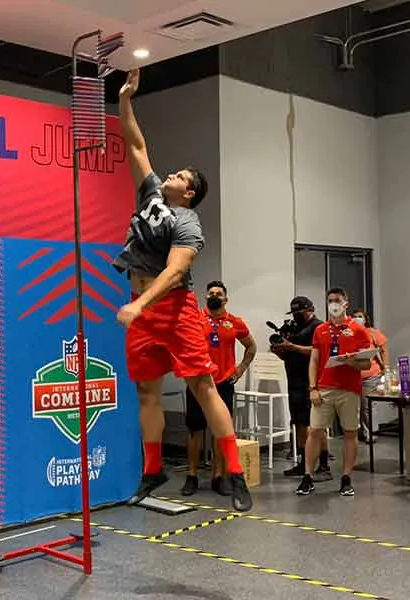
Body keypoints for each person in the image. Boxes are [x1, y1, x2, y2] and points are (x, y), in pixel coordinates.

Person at [111, 68, 252, 512]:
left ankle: (234, 472)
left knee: (203, 388)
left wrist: (139, 304)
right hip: (143, 312)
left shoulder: (187, 223)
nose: (167, 174)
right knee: (147, 394)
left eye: (178, 175)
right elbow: (136, 145)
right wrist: (125, 100)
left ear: (188, 193)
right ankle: (152, 471)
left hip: (172, 309)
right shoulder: (151, 194)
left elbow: (174, 273)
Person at [181, 281, 257, 497]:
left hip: (223, 383)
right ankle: (192, 475)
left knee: (220, 431)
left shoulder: (235, 323)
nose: (214, 296)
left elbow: (251, 346)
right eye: (211, 293)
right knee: (195, 429)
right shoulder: (195, 318)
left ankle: (219, 476)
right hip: (198, 381)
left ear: (226, 299)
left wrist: (240, 368)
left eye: (219, 293)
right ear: (206, 297)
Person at [295, 288, 372, 497]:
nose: (334, 304)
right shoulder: (320, 330)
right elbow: (314, 360)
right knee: (314, 431)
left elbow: (367, 363)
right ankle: (308, 476)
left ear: (346, 303)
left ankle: (346, 477)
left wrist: (353, 361)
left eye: (337, 300)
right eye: (330, 300)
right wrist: (313, 388)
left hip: (349, 390)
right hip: (324, 388)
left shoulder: (358, 330)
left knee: (350, 432)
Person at [271, 296, 331, 480]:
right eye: (294, 313)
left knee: (316, 425)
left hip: (311, 382)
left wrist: (292, 346)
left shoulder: (319, 327)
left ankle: (324, 465)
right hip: (294, 380)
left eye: (300, 313)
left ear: (310, 309)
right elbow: (289, 356)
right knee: (299, 423)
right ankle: (304, 462)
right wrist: (281, 350)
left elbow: (318, 353)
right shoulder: (294, 328)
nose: (297, 317)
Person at [350, 309, 389, 442]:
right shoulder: (348, 333)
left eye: (360, 316)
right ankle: (363, 431)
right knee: (357, 406)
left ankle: (370, 433)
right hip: (353, 375)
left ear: (366, 319)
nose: (357, 318)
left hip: (371, 374)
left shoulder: (372, 332)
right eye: (354, 316)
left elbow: (383, 349)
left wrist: (386, 368)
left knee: (367, 405)